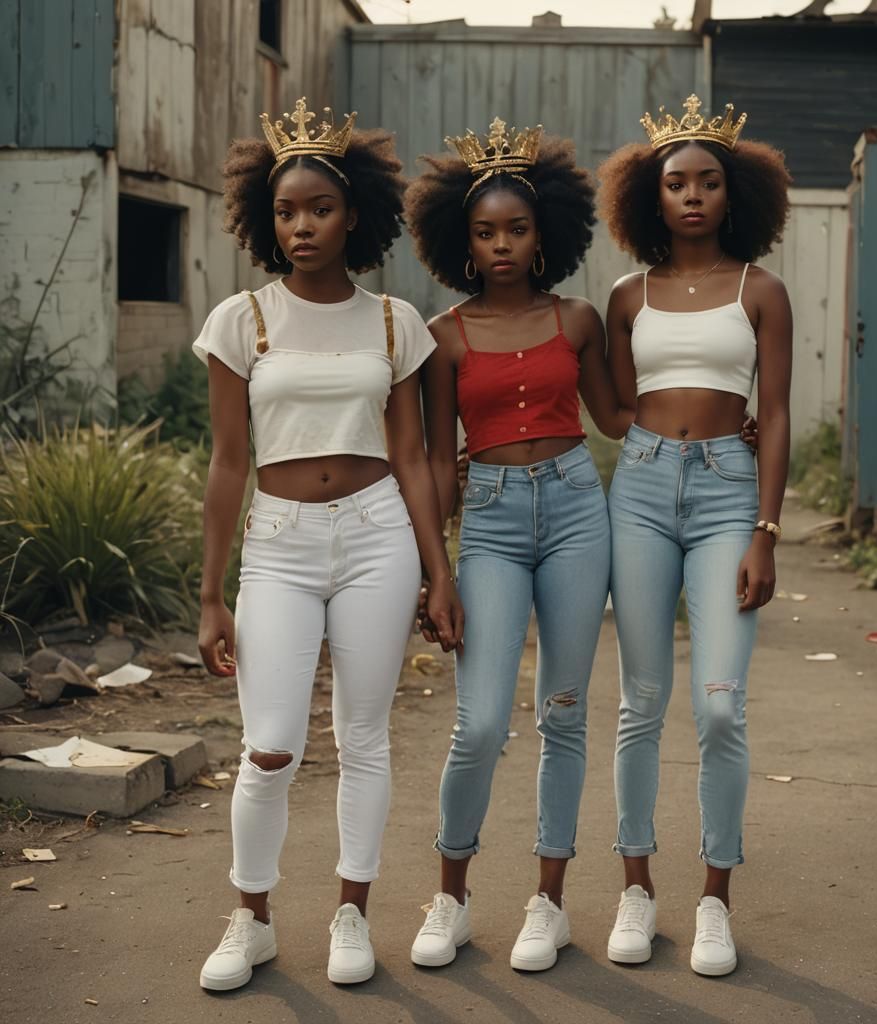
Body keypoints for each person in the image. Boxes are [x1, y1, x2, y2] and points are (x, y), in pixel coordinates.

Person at [192, 97, 462, 991]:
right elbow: (230, 465)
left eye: (319, 209)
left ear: (357, 217)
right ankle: (252, 918)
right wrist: (210, 593)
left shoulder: (394, 322)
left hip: (379, 534)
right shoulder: (242, 320)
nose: (301, 225)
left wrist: (438, 572)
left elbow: (414, 458)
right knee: (270, 745)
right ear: (265, 221)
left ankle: (352, 913)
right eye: (285, 211)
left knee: (364, 738)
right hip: (278, 545)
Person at [403, 119, 630, 972]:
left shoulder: (576, 320)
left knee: (563, 716)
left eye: (517, 229)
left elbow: (614, 417)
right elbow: (433, 456)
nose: (502, 245)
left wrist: (713, 410)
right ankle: (450, 899)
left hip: (578, 509)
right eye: (485, 232)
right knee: (481, 722)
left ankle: (549, 903)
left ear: (546, 235)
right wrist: (438, 573)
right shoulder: (444, 335)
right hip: (491, 522)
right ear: (461, 240)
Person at [597, 95, 792, 976]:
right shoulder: (625, 295)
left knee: (719, 704)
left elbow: (777, 415)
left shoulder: (762, 291)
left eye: (709, 182)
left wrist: (767, 528)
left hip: (726, 495)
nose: (693, 197)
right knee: (641, 702)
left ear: (734, 193)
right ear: (652, 196)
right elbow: (608, 406)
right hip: (638, 488)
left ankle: (715, 898)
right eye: (677, 183)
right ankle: (636, 887)